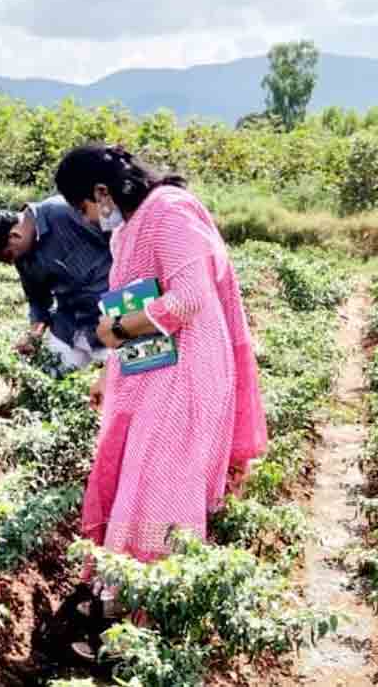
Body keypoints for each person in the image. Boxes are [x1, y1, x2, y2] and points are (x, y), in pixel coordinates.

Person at [54, 144, 267, 658]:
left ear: (101, 192)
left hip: (187, 374)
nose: (90, 219)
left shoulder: (169, 212)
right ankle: (126, 607)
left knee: (159, 492)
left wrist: (116, 333)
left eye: (85, 208)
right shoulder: (131, 227)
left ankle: (146, 624)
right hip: (152, 373)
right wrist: (110, 366)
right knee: (138, 486)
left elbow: (188, 298)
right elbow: (133, 305)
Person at [0, 196, 112, 375]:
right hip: (70, 326)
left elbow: (122, 238)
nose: (11, 262)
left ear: (14, 235)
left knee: (123, 382)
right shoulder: (22, 256)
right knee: (50, 378)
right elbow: (38, 299)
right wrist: (33, 335)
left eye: (6, 256)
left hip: (114, 319)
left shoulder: (63, 211)